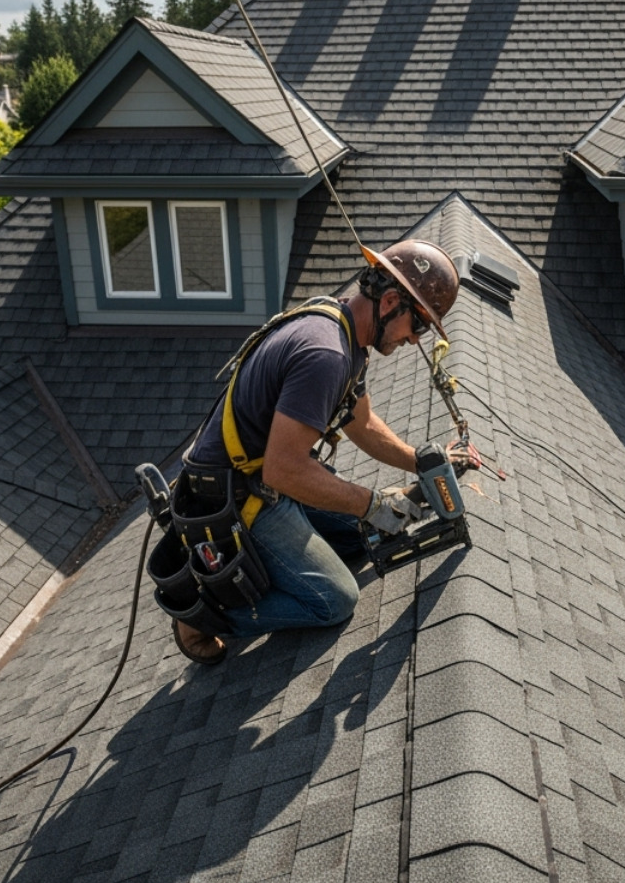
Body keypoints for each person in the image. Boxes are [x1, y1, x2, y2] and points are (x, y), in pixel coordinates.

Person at [170, 239, 461, 664]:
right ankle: (206, 615)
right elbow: (284, 470)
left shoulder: (344, 328)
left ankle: (273, 566)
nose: (415, 340)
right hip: (237, 501)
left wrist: (419, 461)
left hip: (262, 481)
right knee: (334, 599)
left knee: (360, 537)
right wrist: (373, 502)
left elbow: (360, 422)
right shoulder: (326, 353)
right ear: (391, 302)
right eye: (416, 326)